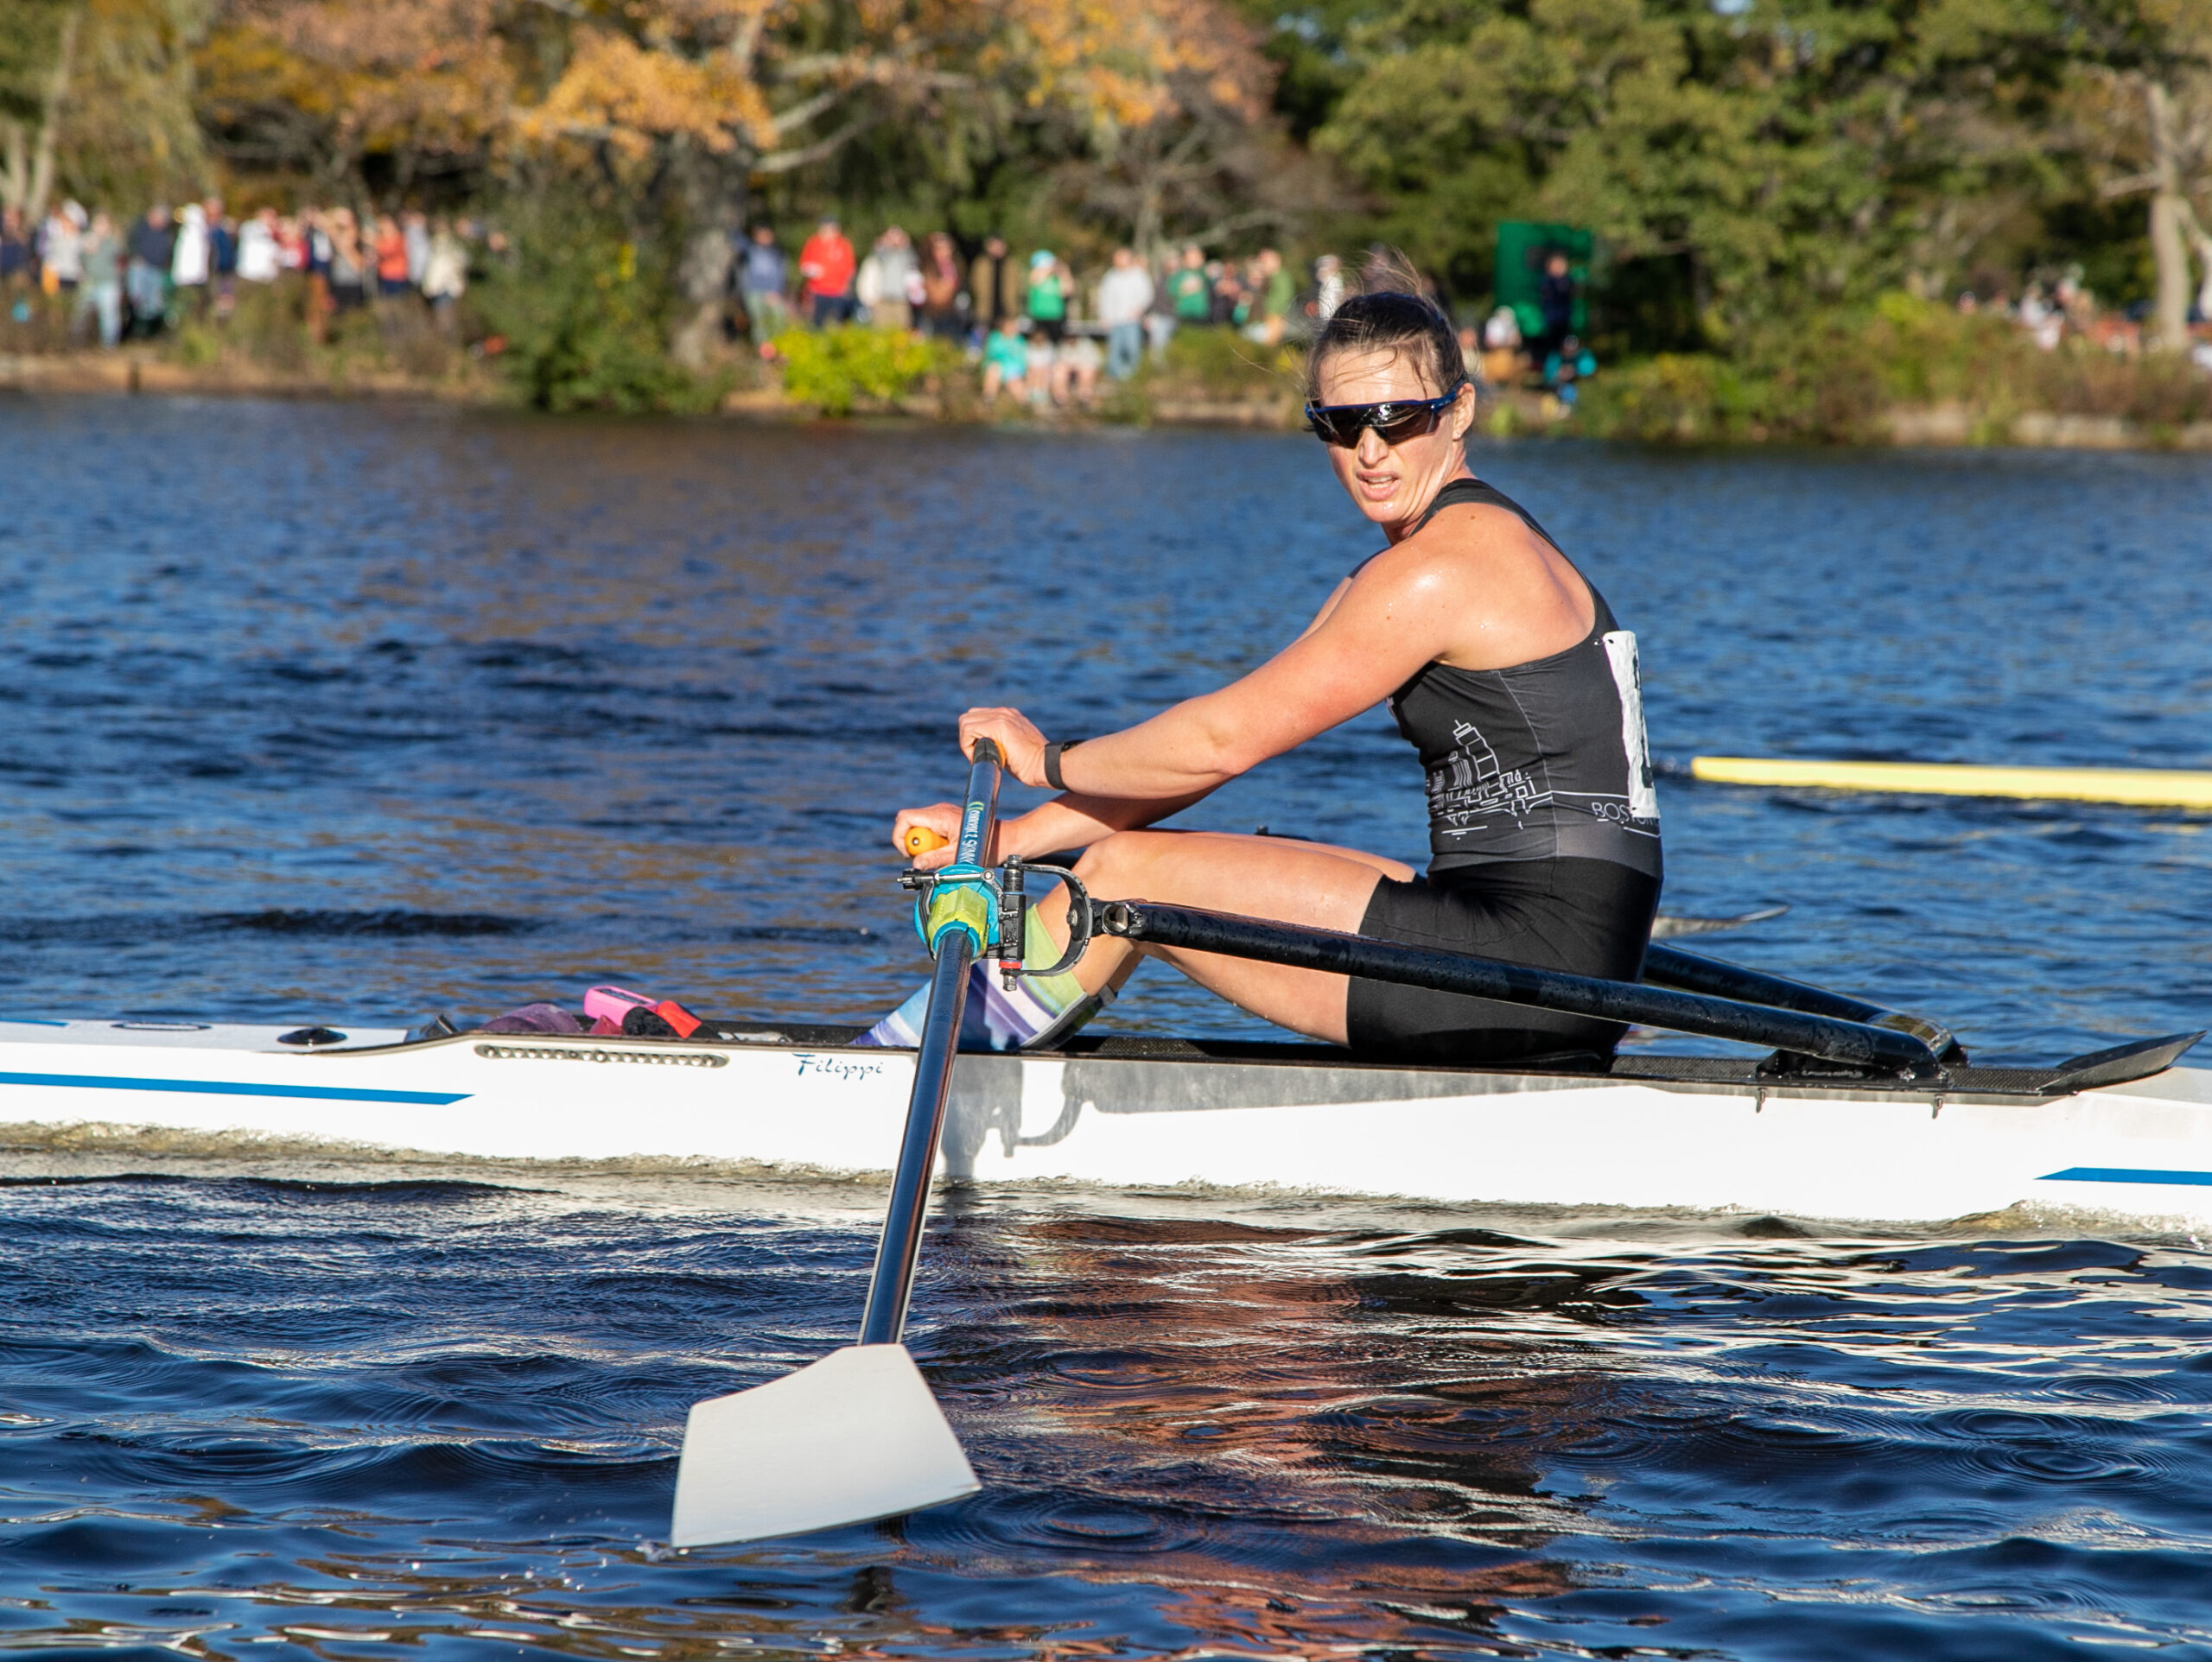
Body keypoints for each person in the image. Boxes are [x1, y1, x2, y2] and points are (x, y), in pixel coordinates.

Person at [868, 263, 1661, 1062]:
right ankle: (971, 1045)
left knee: (1119, 881)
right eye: (1342, 426)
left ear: (1458, 413)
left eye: (1397, 419)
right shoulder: (1424, 562)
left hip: (1536, 962)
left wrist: (1044, 759)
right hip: (1553, 944)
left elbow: (1220, 742)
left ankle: (902, 1073)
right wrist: (1005, 842)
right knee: (1149, 863)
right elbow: (1201, 766)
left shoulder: (1443, 568)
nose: (1371, 452)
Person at [1096, 246, 1153, 380]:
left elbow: (1147, 295)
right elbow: (1104, 297)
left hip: (1131, 320)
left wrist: (1139, 309)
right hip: (1115, 320)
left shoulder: (1139, 275)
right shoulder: (1110, 276)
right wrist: (1104, 316)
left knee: (1132, 349)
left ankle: (1131, 377)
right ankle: (1114, 377)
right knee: (1115, 350)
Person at [74, 212, 123, 349]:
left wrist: (99, 244)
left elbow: (117, 255)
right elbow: (81, 260)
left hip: (108, 282)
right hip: (89, 281)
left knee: (109, 314)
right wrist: (86, 248)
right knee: (80, 313)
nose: (100, 227)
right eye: (98, 224)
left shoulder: (112, 242)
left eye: (103, 224)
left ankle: (109, 344)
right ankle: (77, 342)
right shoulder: (86, 240)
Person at [125, 203, 174, 336]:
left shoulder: (166, 233)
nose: (162, 221)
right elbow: (131, 244)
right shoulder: (141, 228)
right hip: (141, 268)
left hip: (157, 270)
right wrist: (135, 256)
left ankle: (149, 333)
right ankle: (135, 332)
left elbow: (168, 252)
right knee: (137, 301)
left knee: (154, 305)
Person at [798, 217, 856, 326]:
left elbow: (850, 268)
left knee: (836, 323)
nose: (828, 232)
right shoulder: (813, 243)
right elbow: (803, 265)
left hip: (838, 292)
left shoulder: (843, 245)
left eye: (831, 228)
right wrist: (812, 270)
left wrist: (847, 285)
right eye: (825, 228)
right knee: (817, 323)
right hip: (817, 291)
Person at [855, 225, 916, 329]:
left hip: (901, 300)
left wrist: (905, 244)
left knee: (901, 331)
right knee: (880, 331)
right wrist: (884, 243)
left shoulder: (904, 254)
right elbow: (875, 258)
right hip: (882, 300)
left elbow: (914, 261)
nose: (894, 240)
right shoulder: (881, 254)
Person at [738, 223, 790, 344]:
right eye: (760, 235)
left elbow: (781, 273)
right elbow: (735, 238)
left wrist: (776, 291)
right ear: (755, 237)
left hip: (772, 292)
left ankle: (777, 346)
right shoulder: (750, 250)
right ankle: (762, 350)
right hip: (753, 291)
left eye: (767, 235)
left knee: (778, 319)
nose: (764, 238)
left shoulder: (777, 253)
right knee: (758, 322)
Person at [968, 234, 1021, 335]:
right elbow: (973, 285)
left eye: (1000, 245)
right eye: (994, 245)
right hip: (985, 311)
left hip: (1007, 311)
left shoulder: (1011, 265)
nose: (997, 248)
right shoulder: (980, 264)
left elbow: (1018, 286)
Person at [422, 217, 468, 330]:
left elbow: (457, 263)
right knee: (442, 317)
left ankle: (447, 340)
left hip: (445, 286)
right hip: (440, 286)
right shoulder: (437, 245)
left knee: (444, 318)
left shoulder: (446, 245)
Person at [918, 232, 964, 339]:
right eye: (941, 249)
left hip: (950, 313)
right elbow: (935, 293)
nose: (945, 252)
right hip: (933, 314)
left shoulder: (955, 266)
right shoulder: (929, 267)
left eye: (947, 249)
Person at [1535, 250, 1576, 362]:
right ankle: (1553, 371)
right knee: (1553, 347)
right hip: (1553, 319)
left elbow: (1572, 293)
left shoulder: (1567, 280)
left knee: (1567, 344)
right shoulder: (1547, 281)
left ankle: (1568, 367)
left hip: (1565, 318)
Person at [980, 313, 1028, 401]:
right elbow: (992, 354)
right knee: (994, 370)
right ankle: (988, 398)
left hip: (1013, 370)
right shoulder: (995, 338)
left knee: (1017, 386)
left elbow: (1022, 360)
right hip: (997, 367)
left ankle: (1023, 406)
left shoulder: (1019, 340)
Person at [1025, 250, 1067, 342]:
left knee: (1055, 343)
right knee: (1039, 341)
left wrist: (1064, 272)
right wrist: (1049, 270)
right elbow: (1035, 280)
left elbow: (1066, 291)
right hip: (1039, 315)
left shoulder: (1056, 278)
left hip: (1055, 316)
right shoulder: (1035, 275)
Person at [1166, 243, 1210, 327]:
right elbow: (1171, 292)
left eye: (1197, 257)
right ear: (1185, 259)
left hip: (1201, 315)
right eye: (1191, 258)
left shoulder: (1202, 273)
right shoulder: (1178, 274)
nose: (1195, 260)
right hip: (1183, 315)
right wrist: (1185, 288)